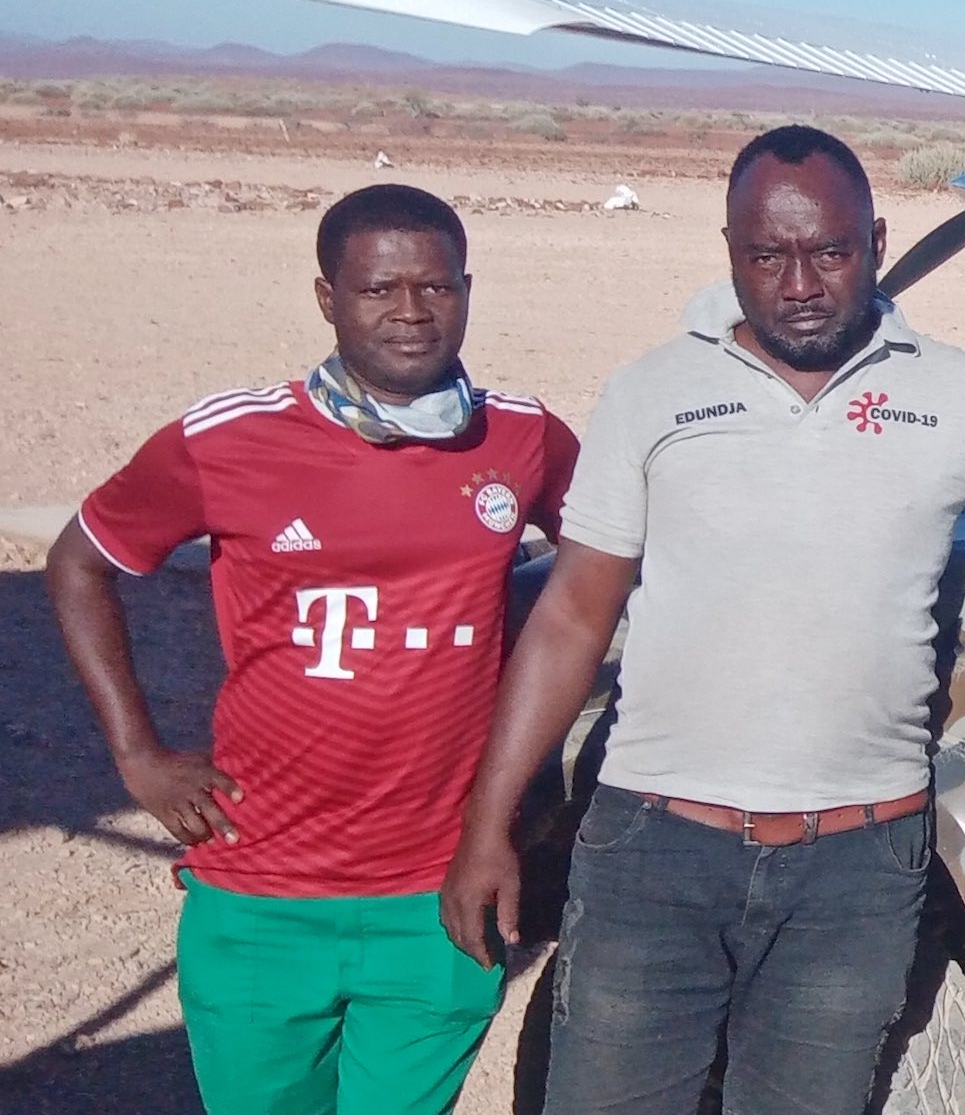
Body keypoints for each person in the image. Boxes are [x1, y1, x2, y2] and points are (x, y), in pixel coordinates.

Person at [439, 124, 965, 1113]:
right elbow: (570, 616)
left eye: (831, 251)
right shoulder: (654, 392)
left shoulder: (959, 394)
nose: (801, 282)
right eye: (769, 254)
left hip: (856, 874)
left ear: (878, 243)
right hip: (655, 856)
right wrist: (487, 826)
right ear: (731, 251)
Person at [46, 183, 579, 1114]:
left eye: (437, 287)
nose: (411, 314)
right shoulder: (229, 440)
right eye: (379, 290)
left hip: (445, 889)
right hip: (261, 894)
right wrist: (136, 752)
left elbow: (599, 579)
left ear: (466, 288)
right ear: (329, 296)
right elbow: (80, 562)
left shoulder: (524, 438)